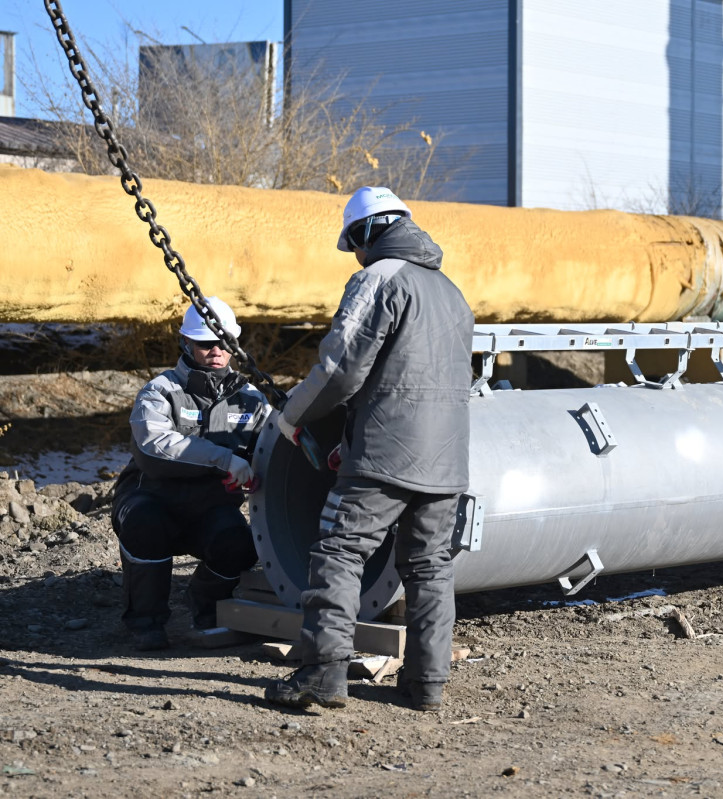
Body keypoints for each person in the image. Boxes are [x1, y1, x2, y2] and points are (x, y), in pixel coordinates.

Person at [264, 186, 474, 712]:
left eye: (353, 244)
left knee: (338, 549)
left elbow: (341, 370)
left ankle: (322, 673)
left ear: (365, 232)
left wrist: (292, 416)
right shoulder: (451, 291)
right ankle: (426, 685)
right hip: (447, 459)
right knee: (430, 566)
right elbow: (413, 378)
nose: (354, 255)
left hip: (385, 454)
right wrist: (347, 439)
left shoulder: (378, 278)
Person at [110, 297, 269, 651]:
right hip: (149, 500)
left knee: (240, 545)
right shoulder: (160, 391)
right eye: (205, 343)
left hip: (210, 508)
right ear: (186, 343)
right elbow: (154, 444)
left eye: (224, 342)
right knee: (145, 524)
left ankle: (205, 603)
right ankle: (146, 622)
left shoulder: (252, 401)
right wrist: (224, 460)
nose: (216, 350)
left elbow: (277, 447)